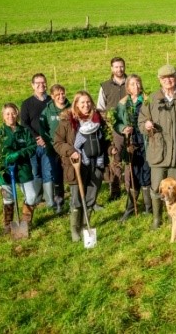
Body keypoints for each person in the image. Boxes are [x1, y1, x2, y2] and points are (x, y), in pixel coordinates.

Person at [138, 65, 176, 227]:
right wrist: (147, 125)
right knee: (157, 187)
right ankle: (157, 219)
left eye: (171, 77)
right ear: (160, 80)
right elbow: (141, 121)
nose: (168, 81)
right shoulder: (152, 99)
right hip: (159, 152)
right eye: (164, 78)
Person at [54, 91, 113, 242]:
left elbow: (105, 140)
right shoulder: (68, 122)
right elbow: (58, 143)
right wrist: (71, 151)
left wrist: (110, 148)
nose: (86, 105)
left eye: (88, 102)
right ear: (76, 105)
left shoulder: (98, 119)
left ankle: (84, 225)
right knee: (76, 199)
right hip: (77, 166)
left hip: (97, 164)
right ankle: (75, 229)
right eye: (82, 103)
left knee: (91, 197)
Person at [0, 103, 37, 234]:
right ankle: (8, 224)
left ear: (17, 114)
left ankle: (26, 222)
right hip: (5, 171)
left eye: (13, 113)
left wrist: (19, 154)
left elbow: (32, 147)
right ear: (3, 116)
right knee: (8, 198)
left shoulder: (24, 131)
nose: (11, 116)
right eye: (7, 114)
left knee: (31, 196)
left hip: (23, 168)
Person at [114, 74, 152, 222]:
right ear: (127, 88)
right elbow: (117, 122)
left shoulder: (148, 100)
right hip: (131, 143)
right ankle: (130, 208)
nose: (135, 87)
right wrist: (123, 128)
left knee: (146, 172)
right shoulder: (123, 103)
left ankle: (149, 208)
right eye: (132, 85)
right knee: (133, 175)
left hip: (146, 141)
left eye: (137, 84)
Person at [20, 73, 53, 208]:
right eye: (38, 83)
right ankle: (37, 198)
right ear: (32, 85)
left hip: (48, 143)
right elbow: (24, 124)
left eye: (43, 82)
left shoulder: (51, 101)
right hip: (33, 144)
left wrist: (46, 138)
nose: (41, 85)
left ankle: (50, 201)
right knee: (35, 171)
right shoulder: (27, 104)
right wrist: (36, 137)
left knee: (48, 171)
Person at [96, 56, 127, 204]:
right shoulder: (105, 86)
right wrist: (107, 124)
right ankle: (115, 188)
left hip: (129, 127)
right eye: (116, 67)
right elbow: (100, 109)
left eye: (121, 66)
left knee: (131, 155)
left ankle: (130, 186)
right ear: (111, 69)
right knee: (115, 158)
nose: (119, 69)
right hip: (112, 128)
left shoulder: (131, 82)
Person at [38, 84, 71, 214]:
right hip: (54, 150)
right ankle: (59, 203)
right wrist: (50, 142)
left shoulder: (70, 108)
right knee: (57, 176)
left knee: (71, 174)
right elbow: (43, 129)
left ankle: (77, 200)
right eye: (57, 94)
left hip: (69, 149)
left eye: (62, 93)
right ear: (52, 96)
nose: (61, 96)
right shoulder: (47, 111)